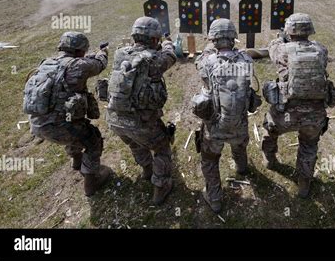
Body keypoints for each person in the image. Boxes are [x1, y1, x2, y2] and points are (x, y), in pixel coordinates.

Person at [261, 13, 335, 198]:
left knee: (269, 129)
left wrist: (280, 38)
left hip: (285, 114)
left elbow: (273, 47)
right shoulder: (321, 50)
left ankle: (269, 160)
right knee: (309, 145)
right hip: (315, 115)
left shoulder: (281, 50)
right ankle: (304, 183)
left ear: (289, 31)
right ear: (310, 30)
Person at [24, 31, 111, 196]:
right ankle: (91, 183)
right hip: (59, 128)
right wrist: (103, 52)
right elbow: (100, 65)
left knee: (74, 128)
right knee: (93, 139)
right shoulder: (79, 65)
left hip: (38, 124)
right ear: (80, 51)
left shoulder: (46, 63)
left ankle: (76, 161)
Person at [192, 18, 261, 213]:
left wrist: (209, 50)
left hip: (215, 126)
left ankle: (214, 198)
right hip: (239, 124)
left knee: (210, 160)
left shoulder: (207, 62)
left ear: (214, 39)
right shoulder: (246, 60)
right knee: (239, 146)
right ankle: (242, 168)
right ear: (233, 38)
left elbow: (202, 67)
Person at [106, 17, 177, 205]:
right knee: (161, 148)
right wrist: (168, 42)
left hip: (115, 119)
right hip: (140, 122)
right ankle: (161, 187)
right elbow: (171, 56)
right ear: (154, 39)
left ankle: (147, 169)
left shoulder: (120, 53)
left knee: (135, 143)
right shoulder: (154, 59)